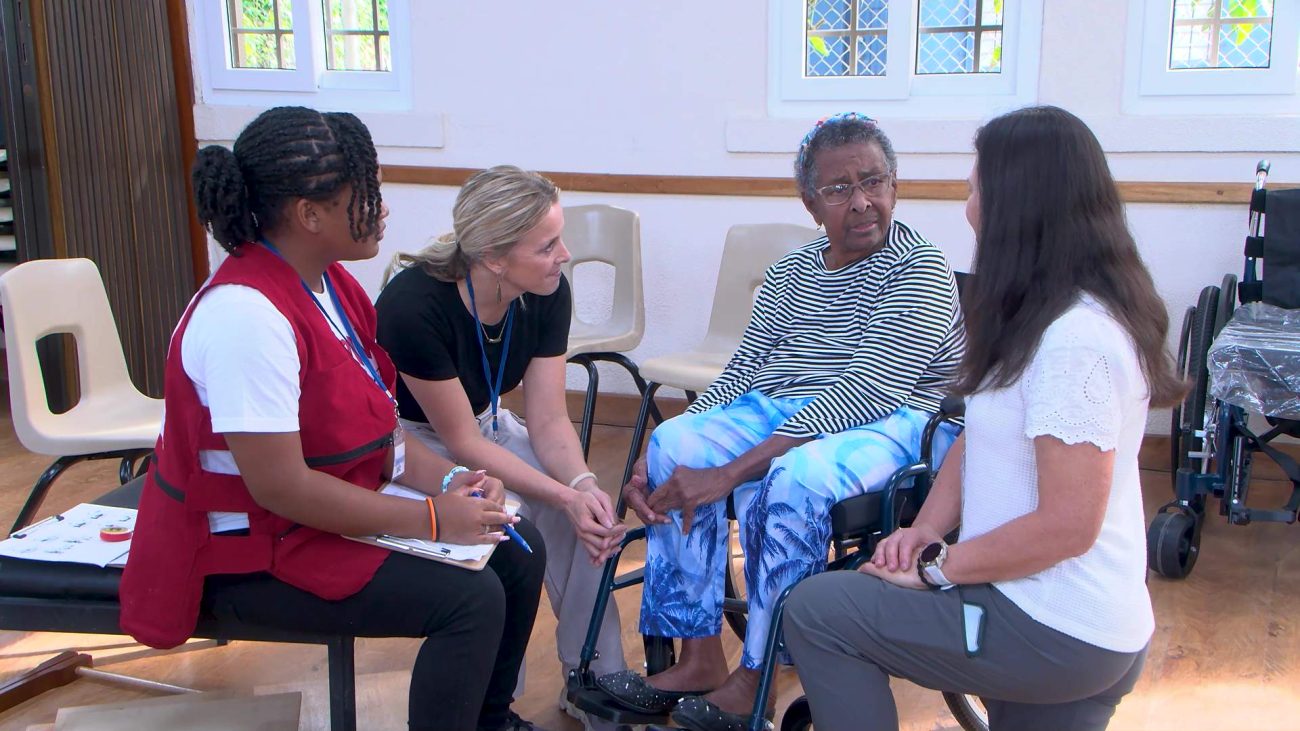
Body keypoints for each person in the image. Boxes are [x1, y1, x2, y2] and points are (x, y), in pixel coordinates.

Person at [119, 107, 550, 731]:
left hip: (309, 524)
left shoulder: (333, 287)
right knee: (469, 599)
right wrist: (432, 519)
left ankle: (490, 720)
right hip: (242, 553)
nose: (383, 209)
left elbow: (380, 433)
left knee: (516, 546)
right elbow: (281, 488)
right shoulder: (245, 316)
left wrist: (451, 481)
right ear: (309, 214)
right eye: (366, 194)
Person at [784, 105, 1181, 731]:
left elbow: (1067, 527)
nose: (969, 208)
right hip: (1058, 622)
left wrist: (936, 567)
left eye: (975, 190)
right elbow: (980, 436)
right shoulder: (1042, 313)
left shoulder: (1075, 341)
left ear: (1017, 207)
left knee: (818, 610)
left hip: (1054, 628)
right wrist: (924, 529)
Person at [596, 112, 965, 731]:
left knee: (794, 476)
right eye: (839, 188)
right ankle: (699, 656)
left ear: (895, 186)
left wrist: (730, 472)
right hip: (787, 409)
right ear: (810, 204)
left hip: (902, 420)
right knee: (676, 442)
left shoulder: (919, 266)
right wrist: (652, 455)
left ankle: (758, 675)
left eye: (873, 181)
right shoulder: (792, 273)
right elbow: (741, 374)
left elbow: (866, 391)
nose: (862, 201)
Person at [373, 166, 628, 723]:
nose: (564, 256)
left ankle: (594, 677)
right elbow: (460, 442)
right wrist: (560, 496)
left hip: (488, 423)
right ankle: (494, 702)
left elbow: (549, 419)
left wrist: (581, 486)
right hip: (414, 446)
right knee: (513, 525)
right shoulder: (413, 305)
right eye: (547, 246)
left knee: (592, 518)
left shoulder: (547, 290)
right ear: (493, 257)